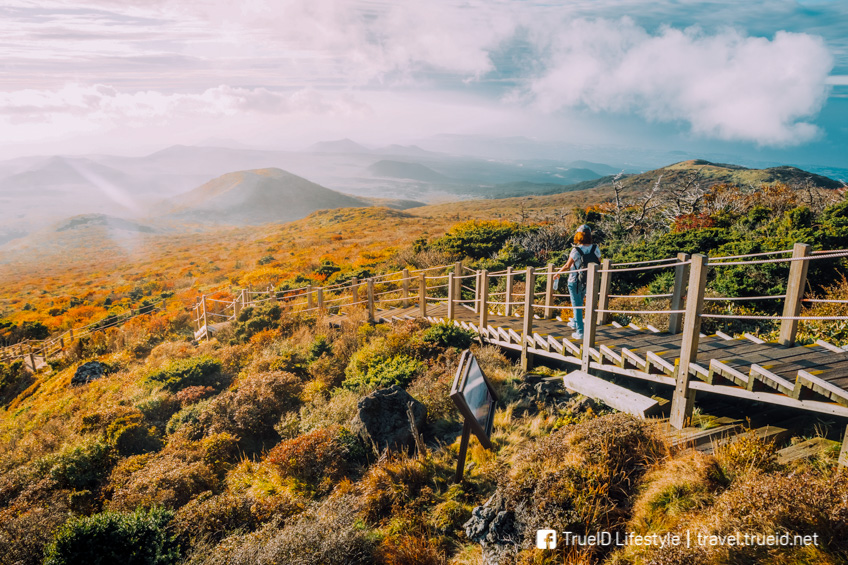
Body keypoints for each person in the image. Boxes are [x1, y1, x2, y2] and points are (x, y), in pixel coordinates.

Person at [553, 225, 601, 339]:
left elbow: (567, 265)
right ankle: (575, 322)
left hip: (574, 280)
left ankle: (580, 332)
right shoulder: (595, 248)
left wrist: (557, 273)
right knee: (580, 302)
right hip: (587, 280)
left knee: (577, 306)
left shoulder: (576, 250)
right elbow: (599, 263)